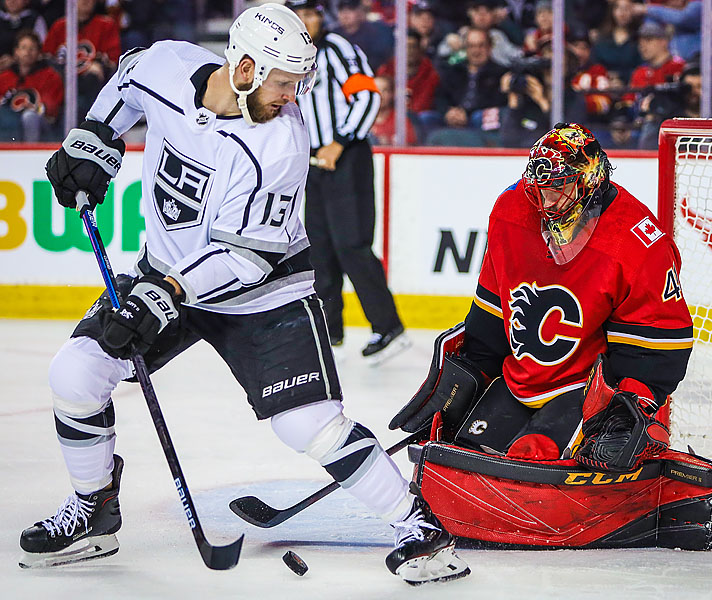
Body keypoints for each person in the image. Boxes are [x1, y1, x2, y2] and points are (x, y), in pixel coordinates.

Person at [18, 3, 469, 585]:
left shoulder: (280, 145)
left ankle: (417, 526)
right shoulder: (170, 67)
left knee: (308, 425)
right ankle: (93, 510)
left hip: (265, 295)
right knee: (75, 375)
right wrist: (94, 138)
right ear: (246, 67)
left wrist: (165, 293)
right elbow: (128, 77)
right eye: (284, 83)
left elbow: (247, 258)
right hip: (164, 272)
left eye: (299, 83)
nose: (293, 95)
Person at [392, 122, 693, 471]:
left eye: (557, 189)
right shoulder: (511, 209)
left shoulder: (638, 242)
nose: (545, 201)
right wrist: (469, 375)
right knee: (463, 453)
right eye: (540, 189)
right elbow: (493, 311)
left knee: (535, 458)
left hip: (588, 390)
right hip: (520, 379)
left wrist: (631, 406)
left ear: (589, 180)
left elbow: (657, 343)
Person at [288, 0, 411, 363]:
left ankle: (388, 326)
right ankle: (331, 328)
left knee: (351, 244)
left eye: (311, 13)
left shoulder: (338, 48)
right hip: (312, 162)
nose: (306, 21)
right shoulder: (291, 56)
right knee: (319, 247)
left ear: (321, 17)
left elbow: (368, 96)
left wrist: (339, 142)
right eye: (299, 15)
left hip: (346, 157)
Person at [42, 0, 120, 122]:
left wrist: (99, 66)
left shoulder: (105, 25)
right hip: (62, 82)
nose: (85, 1)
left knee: (92, 78)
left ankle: (93, 126)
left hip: (90, 85)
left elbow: (112, 61)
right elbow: (47, 59)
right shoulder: (60, 26)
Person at [0, 29, 62, 141]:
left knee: (29, 116)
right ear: (16, 51)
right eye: (23, 48)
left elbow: (52, 110)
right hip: (11, 124)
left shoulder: (50, 76)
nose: (27, 52)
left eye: (32, 48)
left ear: (39, 53)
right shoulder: (5, 77)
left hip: (42, 124)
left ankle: (30, 153)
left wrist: (36, 108)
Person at [0, 0, 48, 72]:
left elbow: (41, 51)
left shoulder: (35, 19)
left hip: (26, 71)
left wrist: (15, 60)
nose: (12, 1)